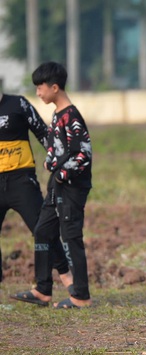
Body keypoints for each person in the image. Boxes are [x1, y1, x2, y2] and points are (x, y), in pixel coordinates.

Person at [13, 62, 93, 309]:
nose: (38, 92)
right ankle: (42, 289)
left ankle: (80, 296)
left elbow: (84, 154)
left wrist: (61, 174)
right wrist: (51, 163)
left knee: (70, 238)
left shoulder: (71, 116)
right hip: (55, 187)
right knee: (42, 230)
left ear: (55, 87)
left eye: (40, 87)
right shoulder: (58, 114)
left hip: (70, 188)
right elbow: (57, 149)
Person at [0, 91, 73, 302]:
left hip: (21, 180)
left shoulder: (18, 104)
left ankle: (68, 281)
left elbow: (45, 134)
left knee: (43, 230)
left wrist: (60, 165)